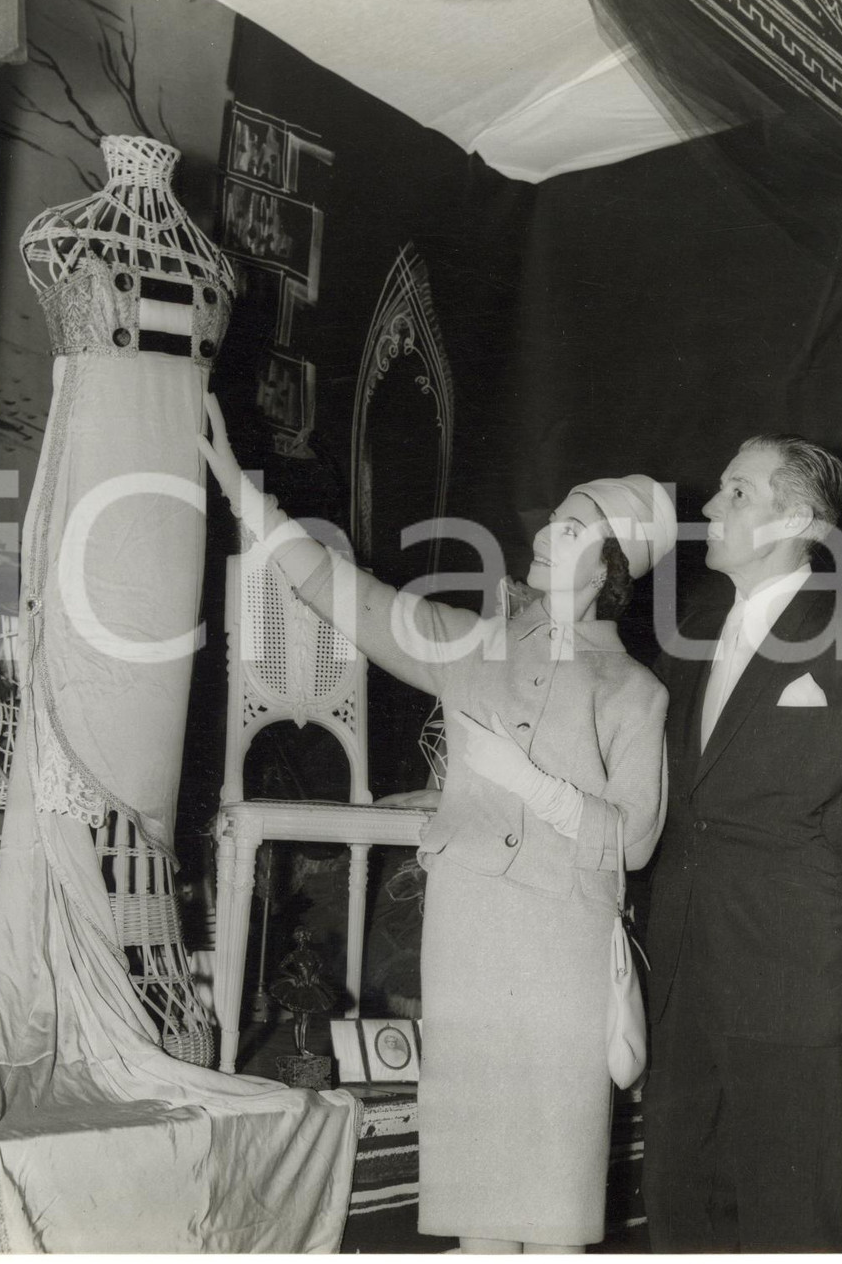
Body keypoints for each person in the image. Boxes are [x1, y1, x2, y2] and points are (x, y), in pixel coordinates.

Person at [199, 393, 676, 1253]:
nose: (547, 532)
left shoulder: (634, 691)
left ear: (609, 565)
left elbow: (636, 840)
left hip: (562, 946)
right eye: (555, 518)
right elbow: (348, 595)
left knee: (554, 1204)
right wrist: (242, 491)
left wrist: (532, 784)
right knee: (476, 1205)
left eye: (573, 528)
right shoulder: (474, 645)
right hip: (470, 933)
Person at [642, 434, 842, 1253]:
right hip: (684, 973)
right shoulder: (693, 633)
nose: (711, 505)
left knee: (790, 1224)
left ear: (796, 520)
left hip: (790, 972)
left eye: (737, 492)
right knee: (680, 1213)